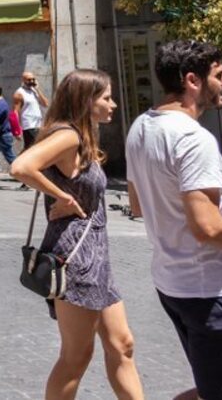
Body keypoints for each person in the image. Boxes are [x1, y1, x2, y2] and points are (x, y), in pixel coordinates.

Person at [126, 40, 222, 400]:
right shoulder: (193, 138)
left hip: (174, 283)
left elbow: (139, 205)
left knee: (214, 387)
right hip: (215, 292)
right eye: (219, 74)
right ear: (192, 80)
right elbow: (208, 228)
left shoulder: (140, 127)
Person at [11, 70, 144, 400]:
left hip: (96, 256)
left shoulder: (82, 137)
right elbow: (21, 167)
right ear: (86, 101)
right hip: (76, 257)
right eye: (106, 97)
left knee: (122, 344)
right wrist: (63, 197)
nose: (113, 104)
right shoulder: (68, 136)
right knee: (76, 356)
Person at [14, 71, 50, 149]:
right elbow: (16, 112)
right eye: (29, 80)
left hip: (38, 125)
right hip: (29, 126)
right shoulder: (19, 93)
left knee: (31, 149)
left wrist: (38, 90)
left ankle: (21, 160)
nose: (32, 82)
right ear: (23, 80)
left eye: (33, 79)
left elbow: (46, 104)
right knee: (34, 148)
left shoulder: (34, 91)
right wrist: (16, 130)